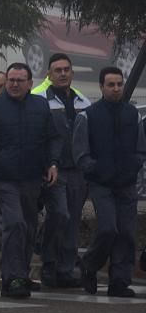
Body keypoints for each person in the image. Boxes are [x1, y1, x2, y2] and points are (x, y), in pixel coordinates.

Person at [0, 62, 62, 299]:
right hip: (2, 178)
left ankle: (21, 273)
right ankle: (11, 279)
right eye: (11, 79)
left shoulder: (40, 106)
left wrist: (52, 163)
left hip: (32, 178)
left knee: (29, 227)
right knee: (14, 223)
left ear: (30, 84)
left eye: (20, 80)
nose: (14, 84)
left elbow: (53, 138)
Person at [74, 67, 145, 297]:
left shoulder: (132, 114)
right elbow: (80, 152)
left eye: (119, 84)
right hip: (101, 184)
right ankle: (89, 265)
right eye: (111, 85)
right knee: (107, 229)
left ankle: (119, 282)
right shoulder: (88, 115)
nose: (116, 89)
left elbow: (140, 148)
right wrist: (93, 169)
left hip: (126, 183)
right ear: (101, 87)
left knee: (126, 233)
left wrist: (134, 165)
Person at [33, 53, 91, 288]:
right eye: (57, 70)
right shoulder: (39, 100)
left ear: (72, 73)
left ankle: (65, 269)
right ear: (49, 74)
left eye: (66, 69)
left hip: (78, 170)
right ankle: (49, 263)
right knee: (60, 215)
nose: (63, 73)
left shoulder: (83, 102)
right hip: (52, 170)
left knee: (73, 220)